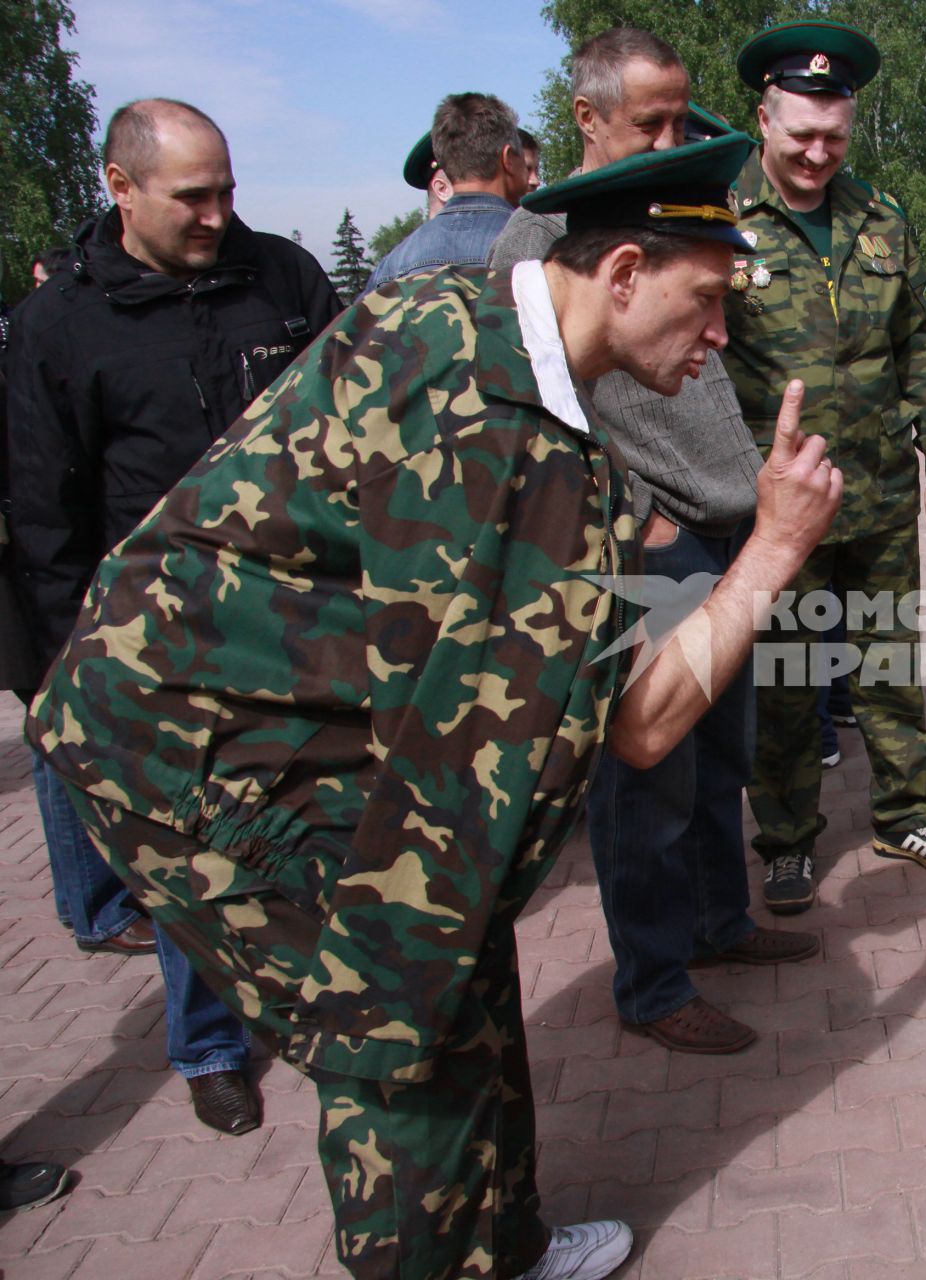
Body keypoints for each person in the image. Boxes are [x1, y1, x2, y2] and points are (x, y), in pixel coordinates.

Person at [27, 133, 843, 1280]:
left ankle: (503, 1245)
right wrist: (773, 549)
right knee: (401, 1004)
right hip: (196, 757)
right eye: (707, 301)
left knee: (456, 964)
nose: (721, 336)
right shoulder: (516, 444)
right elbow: (639, 728)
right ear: (618, 276)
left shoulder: (457, 312)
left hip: (262, 717)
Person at [6, 97, 342, 1138]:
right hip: (157, 651)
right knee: (194, 859)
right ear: (119, 188)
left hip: (300, 625)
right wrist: (78, 670)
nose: (216, 215)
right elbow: (43, 507)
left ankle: (321, 1004)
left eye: (227, 189)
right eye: (192, 196)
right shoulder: (60, 324)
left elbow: (356, 423)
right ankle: (209, 1044)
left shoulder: (281, 277)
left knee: (315, 829)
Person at [490, 26, 817, 1058]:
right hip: (650, 542)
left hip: (726, 525)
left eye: (684, 116)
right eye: (651, 122)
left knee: (721, 752)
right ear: (585, 117)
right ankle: (654, 977)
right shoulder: (541, 243)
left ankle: (721, 922)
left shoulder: (679, 214)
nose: (675, 137)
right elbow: (544, 422)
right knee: (649, 772)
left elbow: (707, 358)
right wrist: (644, 516)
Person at [727, 18, 926, 915]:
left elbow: (923, 342)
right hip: (780, 503)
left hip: (876, 496)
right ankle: (788, 841)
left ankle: (907, 812)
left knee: (887, 662)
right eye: (800, 135)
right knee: (789, 679)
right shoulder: (720, 219)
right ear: (764, 117)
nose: (817, 154)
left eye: (835, 137)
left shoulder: (882, 218)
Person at [365, 93, 532, 293]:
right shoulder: (538, 242)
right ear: (509, 160)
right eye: (524, 159)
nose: (534, 178)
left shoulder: (393, 265)